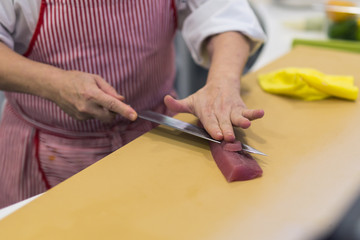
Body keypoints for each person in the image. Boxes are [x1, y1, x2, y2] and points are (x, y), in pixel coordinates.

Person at [0, 0, 266, 208]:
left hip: (156, 138)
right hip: (48, 151)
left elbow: (221, 11)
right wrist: (53, 82)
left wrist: (223, 82)